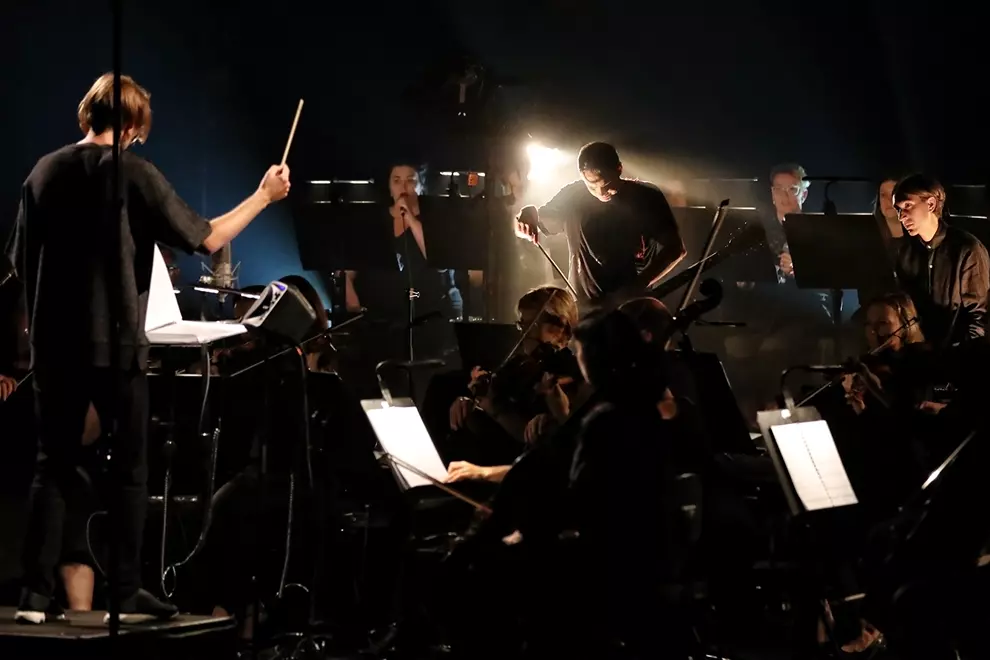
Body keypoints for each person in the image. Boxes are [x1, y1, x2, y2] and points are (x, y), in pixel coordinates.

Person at [6, 72, 290, 624]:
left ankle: (34, 597)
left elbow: (19, 262)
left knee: (53, 466)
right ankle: (129, 587)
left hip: (54, 345)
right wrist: (263, 196)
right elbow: (207, 238)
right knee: (131, 469)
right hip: (114, 343)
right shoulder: (134, 172)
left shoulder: (42, 171)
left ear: (90, 113)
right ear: (133, 125)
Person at [513, 142, 685, 310]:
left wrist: (637, 285)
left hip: (632, 310)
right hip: (584, 310)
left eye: (607, 185)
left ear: (619, 169)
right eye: (591, 186)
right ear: (582, 176)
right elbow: (528, 226)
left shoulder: (645, 197)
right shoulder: (573, 195)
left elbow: (675, 248)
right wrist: (527, 214)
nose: (601, 193)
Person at [892, 173, 989, 345]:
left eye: (907, 205)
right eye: (898, 209)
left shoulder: (967, 249)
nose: (901, 216)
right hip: (920, 355)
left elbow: (979, 317)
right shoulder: (906, 252)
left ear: (930, 204)